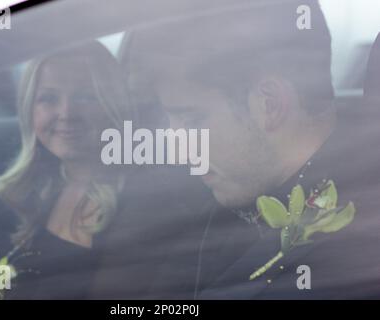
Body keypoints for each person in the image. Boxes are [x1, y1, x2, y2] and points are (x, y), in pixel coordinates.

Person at [125, 0, 380, 298]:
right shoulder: (224, 193)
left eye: (192, 120)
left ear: (268, 104)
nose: (181, 153)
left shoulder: (355, 262)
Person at [0, 40, 137, 299]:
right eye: (48, 99)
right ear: (29, 110)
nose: (66, 113)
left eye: (85, 97)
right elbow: (28, 275)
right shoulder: (49, 183)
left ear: (113, 105)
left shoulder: (134, 204)